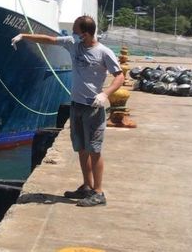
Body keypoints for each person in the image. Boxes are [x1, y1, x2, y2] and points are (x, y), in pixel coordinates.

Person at [11, 15, 124, 207]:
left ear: (85, 33)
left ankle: (98, 192)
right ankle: (87, 186)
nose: (73, 34)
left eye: (76, 31)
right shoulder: (73, 43)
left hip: (93, 107)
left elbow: (119, 77)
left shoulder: (104, 52)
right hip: (76, 105)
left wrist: (105, 94)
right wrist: (24, 36)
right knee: (81, 148)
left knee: (94, 150)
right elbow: (49, 39)